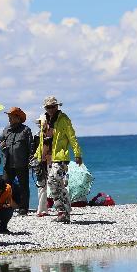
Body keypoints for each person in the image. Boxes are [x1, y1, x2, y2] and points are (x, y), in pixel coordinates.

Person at [34, 96, 83, 224]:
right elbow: (42, 140)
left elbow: (72, 137)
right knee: (56, 184)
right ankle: (62, 212)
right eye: (48, 107)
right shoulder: (44, 120)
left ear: (57, 106)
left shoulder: (64, 119)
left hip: (60, 157)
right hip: (47, 157)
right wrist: (37, 155)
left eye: (52, 106)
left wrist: (77, 154)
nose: (50, 109)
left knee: (53, 181)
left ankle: (64, 210)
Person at [0, 106, 32, 215]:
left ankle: (23, 208)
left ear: (18, 118)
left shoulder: (26, 130)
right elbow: (0, 142)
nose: (9, 119)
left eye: (11, 117)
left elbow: (31, 147)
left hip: (22, 163)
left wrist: (31, 160)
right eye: (9, 116)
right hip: (8, 163)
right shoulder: (6, 129)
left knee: (23, 186)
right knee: (5, 186)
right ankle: (6, 206)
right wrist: (1, 144)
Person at [33, 115, 49, 216]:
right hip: (40, 162)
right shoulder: (37, 135)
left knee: (44, 186)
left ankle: (41, 209)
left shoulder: (49, 135)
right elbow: (35, 149)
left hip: (47, 162)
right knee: (41, 186)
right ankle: (42, 209)